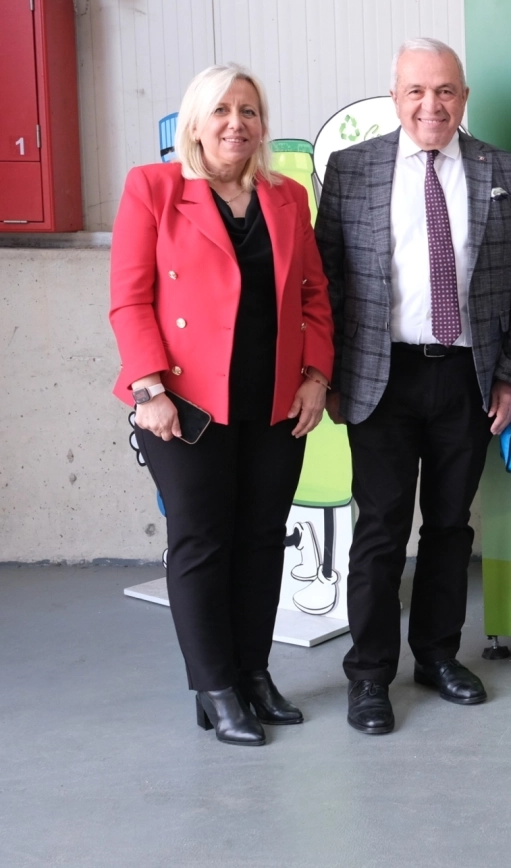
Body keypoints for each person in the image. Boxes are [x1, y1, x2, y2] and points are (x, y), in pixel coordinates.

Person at [316, 38, 511, 735]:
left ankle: (438, 657)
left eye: (445, 90)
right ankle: (369, 676)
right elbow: (325, 282)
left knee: (450, 527)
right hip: (379, 377)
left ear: (463, 98)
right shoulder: (352, 169)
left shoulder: (503, 169)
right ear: (395, 97)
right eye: (416, 91)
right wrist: (327, 375)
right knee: (381, 530)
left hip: (467, 377)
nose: (431, 105)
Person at [110, 64, 334, 746]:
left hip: (274, 399)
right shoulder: (153, 188)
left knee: (263, 539)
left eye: (249, 110)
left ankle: (253, 674)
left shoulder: (287, 197)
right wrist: (149, 388)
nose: (236, 123)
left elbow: (314, 296)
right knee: (202, 542)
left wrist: (316, 375)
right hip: (185, 404)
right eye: (222, 110)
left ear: (262, 125)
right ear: (195, 123)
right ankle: (214, 688)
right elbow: (130, 299)